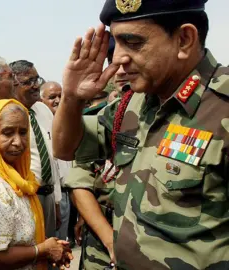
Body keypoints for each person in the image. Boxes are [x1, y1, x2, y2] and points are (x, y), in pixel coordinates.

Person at [53, 0, 229, 269]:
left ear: (184, 39)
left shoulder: (221, 108)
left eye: (133, 42)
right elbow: (65, 149)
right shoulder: (132, 104)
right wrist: (72, 98)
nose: (119, 57)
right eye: (116, 42)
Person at [0, 99, 72, 269]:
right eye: (7, 133)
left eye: (23, 132)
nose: (18, 142)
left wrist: (53, 248)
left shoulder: (18, 177)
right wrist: (42, 250)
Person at [67, 35, 118, 270]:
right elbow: (80, 181)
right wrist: (110, 241)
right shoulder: (102, 120)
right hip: (103, 248)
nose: (121, 67)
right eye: (113, 60)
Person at [10, 60, 62, 239]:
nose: (35, 86)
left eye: (36, 79)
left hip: (48, 196)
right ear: (12, 84)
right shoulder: (8, 114)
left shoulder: (43, 110)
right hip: (25, 198)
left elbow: (52, 158)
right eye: (27, 82)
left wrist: (56, 201)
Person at [39, 81, 71, 242]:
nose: (58, 100)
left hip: (68, 193)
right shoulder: (38, 125)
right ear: (41, 100)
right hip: (50, 195)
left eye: (61, 96)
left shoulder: (69, 121)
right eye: (52, 97)